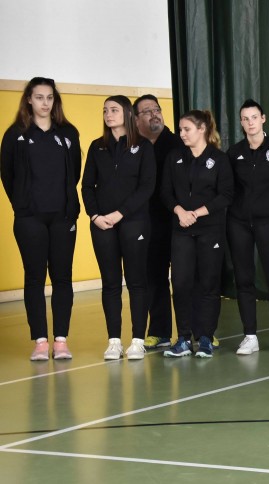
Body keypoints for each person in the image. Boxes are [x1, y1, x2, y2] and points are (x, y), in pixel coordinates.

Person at [1, 77, 81, 361]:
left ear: (54, 100)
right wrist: (22, 204)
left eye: (49, 97)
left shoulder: (68, 133)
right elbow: (7, 174)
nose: (45, 103)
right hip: (30, 218)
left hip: (62, 217)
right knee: (34, 278)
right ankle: (40, 341)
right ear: (28, 99)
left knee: (62, 277)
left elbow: (75, 172)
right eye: (39, 97)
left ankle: (60, 341)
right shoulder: (15, 134)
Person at [81, 95, 156, 360]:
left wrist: (120, 213)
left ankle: (137, 340)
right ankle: (114, 341)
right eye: (105, 110)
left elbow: (147, 187)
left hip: (134, 222)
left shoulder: (143, 147)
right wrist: (94, 216)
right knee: (110, 283)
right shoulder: (96, 147)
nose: (108, 114)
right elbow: (87, 186)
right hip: (102, 225)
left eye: (113, 109)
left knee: (136, 282)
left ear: (127, 114)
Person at [161, 110, 233, 358]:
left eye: (186, 129)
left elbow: (225, 195)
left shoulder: (219, 159)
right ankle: (183, 338)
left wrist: (197, 213)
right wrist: (180, 211)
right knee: (181, 283)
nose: (182, 134)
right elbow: (165, 192)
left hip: (210, 230)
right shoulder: (174, 157)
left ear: (202, 129)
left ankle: (205, 338)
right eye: (180, 129)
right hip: (181, 230)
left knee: (208, 284)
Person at [225, 99, 269, 356]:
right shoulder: (234, 153)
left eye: (254, 117)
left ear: (263, 119)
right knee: (244, 279)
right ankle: (250, 336)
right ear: (241, 123)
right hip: (239, 224)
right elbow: (229, 189)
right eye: (245, 119)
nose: (250, 122)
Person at [133, 94, 184, 350]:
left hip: (179, 221)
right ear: (136, 119)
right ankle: (160, 332)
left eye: (157, 109)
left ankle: (196, 332)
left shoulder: (178, 144)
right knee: (154, 278)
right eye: (147, 111)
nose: (154, 114)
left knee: (185, 278)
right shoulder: (134, 147)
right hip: (149, 223)